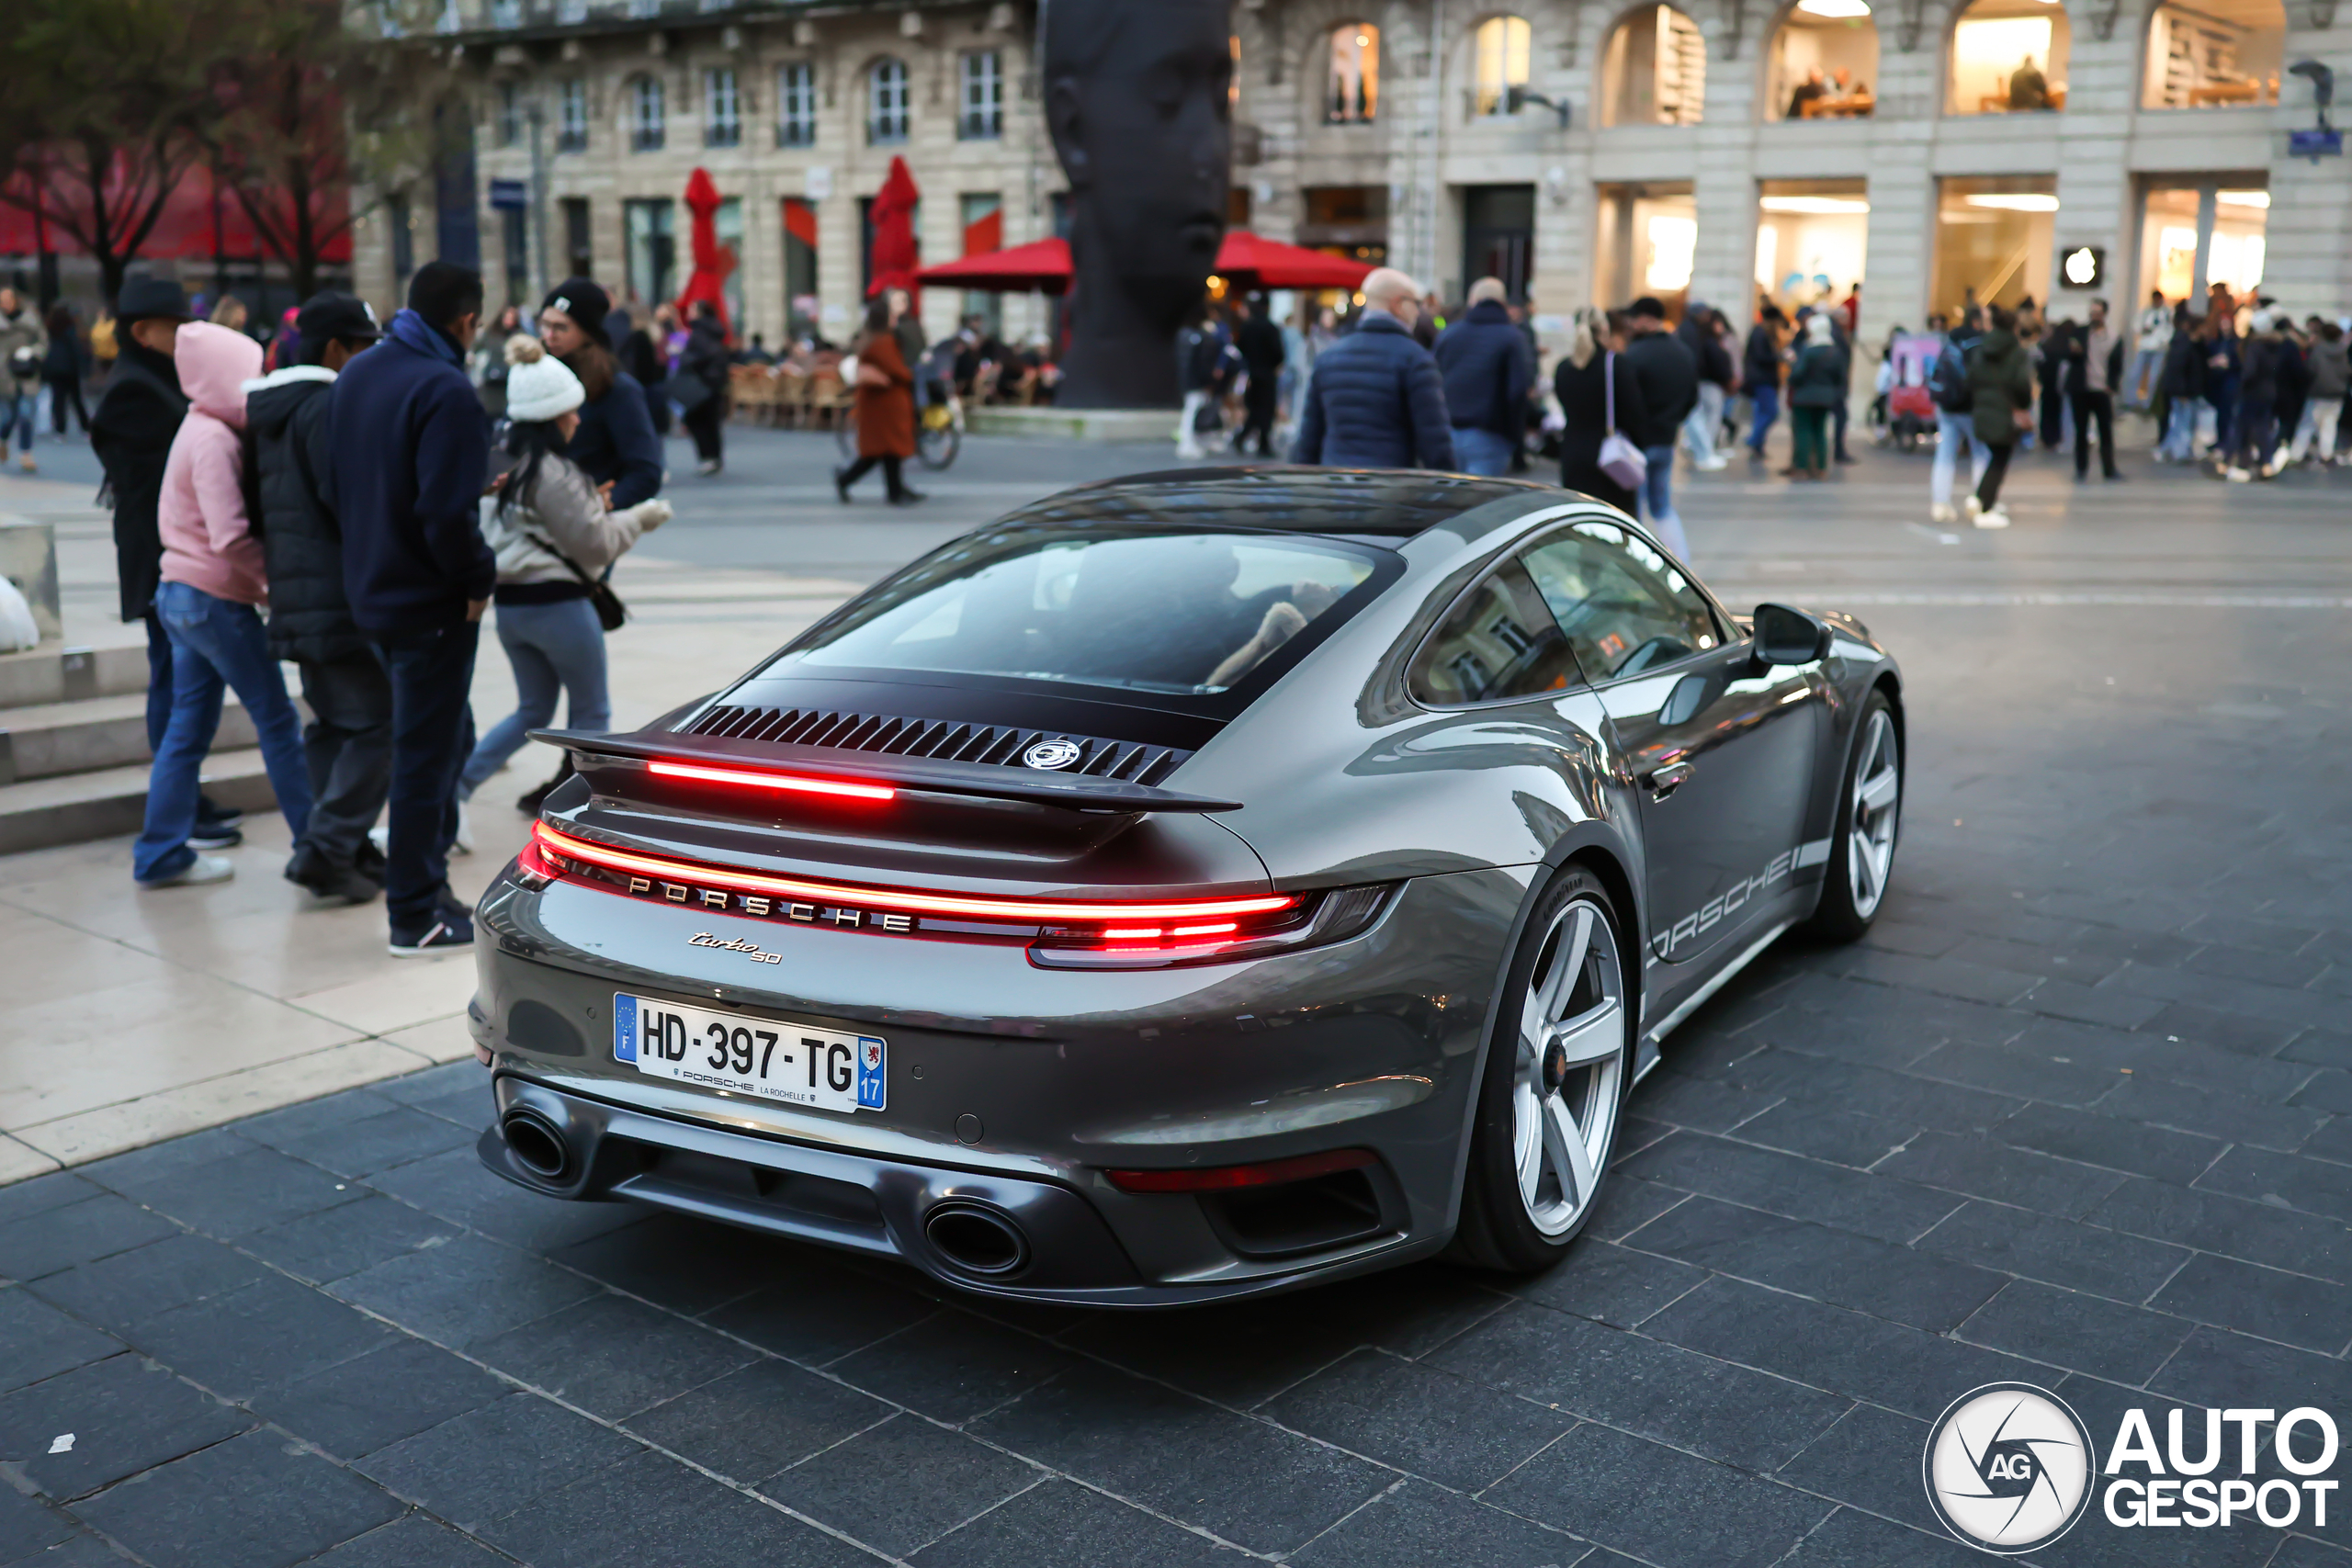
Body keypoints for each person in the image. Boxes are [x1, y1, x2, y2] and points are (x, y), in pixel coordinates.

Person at [325, 261, 497, 956]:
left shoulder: (360, 373)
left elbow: (343, 487)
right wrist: (478, 579)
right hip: (431, 602)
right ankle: (415, 914)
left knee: (434, 743)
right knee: (427, 760)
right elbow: (445, 513)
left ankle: (426, 888)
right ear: (465, 320)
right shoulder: (447, 389)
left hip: (372, 592)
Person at [132, 322, 314, 887]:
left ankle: (160, 853)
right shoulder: (213, 439)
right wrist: (273, 587)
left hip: (181, 598)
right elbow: (230, 537)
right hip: (213, 601)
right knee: (278, 721)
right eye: (249, 373)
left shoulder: (196, 426)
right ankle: (318, 844)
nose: (257, 383)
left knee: (187, 730)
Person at [460, 336, 672, 810]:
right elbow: (595, 545)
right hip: (559, 606)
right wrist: (640, 518)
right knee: (592, 712)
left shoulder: (503, 461)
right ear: (552, 417)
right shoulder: (552, 472)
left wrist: (591, 510)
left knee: (530, 710)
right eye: (570, 412)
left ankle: (457, 790)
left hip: (513, 610)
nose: (578, 419)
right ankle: (581, 810)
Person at [247, 291, 394, 904]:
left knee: (332, 725)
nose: (369, 361)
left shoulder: (270, 412)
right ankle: (326, 847)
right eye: (364, 348)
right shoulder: (330, 406)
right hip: (337, 596)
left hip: (294, 594)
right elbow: (352, 506)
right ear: (337, 349)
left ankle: (343, 843)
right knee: (381, 724)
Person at [91, 279, 246, 850]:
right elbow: (154, 484)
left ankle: (186, 805)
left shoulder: (155, 379)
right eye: (175, 326)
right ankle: (179, 814)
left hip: (172, 560)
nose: (187, 335)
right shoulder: (133, 390)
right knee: (174, 685)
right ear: (141, 332)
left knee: (186, 687)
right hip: (162, 563)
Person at [1290, 267, 1455, 469]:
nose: (1417, 311)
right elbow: (1434, 441)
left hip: (1336, 483)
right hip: (1390, 486)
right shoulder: (1416, 359)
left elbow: (1309, 437)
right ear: (1397, 304)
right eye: (1416, 303)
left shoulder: (1329, 358)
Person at [537, 279, 662, 507]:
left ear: (587, 332)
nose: (549, 335)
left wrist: (604, 504)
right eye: (545, 325)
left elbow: (645, 471)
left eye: (561, 327)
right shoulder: (532, 377)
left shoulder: (616, 389)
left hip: (587, 528)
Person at [1432, 276, 1532, 477]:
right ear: (1503, 303)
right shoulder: (1513, 337)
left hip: (1448, 430)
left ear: (1472, 301)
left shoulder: (1449, 334)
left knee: (1451, 501)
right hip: (1491, 433)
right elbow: (1519, 391)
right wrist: (1515, 437)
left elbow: (1433, 380)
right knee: (1484, 502)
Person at [1622, 296, 1698, 554]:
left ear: (1644, 319)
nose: (1630, 324)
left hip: (1637, 442)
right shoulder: (1683, 352)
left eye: (1633, 319)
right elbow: (1692, 398)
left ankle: (1639, 561)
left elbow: (1627, 403)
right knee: (1662, 506)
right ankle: (1682, 561)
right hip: (1666, 438)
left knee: (1636, 509)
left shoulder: (1633, 354)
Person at [1554, 306, 1647, 516]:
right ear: (1604, 330)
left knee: (1578, 521)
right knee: (1616, 523)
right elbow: (1634, 415)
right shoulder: (1616, 365)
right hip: (1609, 458)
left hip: (1573, 454)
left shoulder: (1564, 368)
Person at [834, 297, 923, 503]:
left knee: (883, 449)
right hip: (886, 403)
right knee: (886, 448)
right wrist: (909, 375)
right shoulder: (884, 342)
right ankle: (886, 489)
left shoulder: (870, 340)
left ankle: (895, 488)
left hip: (877, 403)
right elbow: (898, 370)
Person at [1965, 304, 2034, 527]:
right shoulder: (2016, 352)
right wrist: (2024, 405)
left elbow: (1972, 376)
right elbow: (2022, 384)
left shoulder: (1982, 347)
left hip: (1983, 407)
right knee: (1999, 459)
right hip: (2004, 410)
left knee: (1994, 456)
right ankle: (1985, 507)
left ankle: (1981, 499)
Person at [1928, 306, 1989, 521]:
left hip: (1946, 406)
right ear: (1977, 322)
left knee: (1944, 456)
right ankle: (1980, 501)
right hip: (1970, 407)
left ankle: (1940, 504)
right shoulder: (1978, 344)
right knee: (1981, 454)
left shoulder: (1951, 341)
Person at [2064, 297, 2123, 481]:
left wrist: (2112, 386)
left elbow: (2117, 364)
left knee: (2105, 430)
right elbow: (2067, 356)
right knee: (2081, 431)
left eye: (2097, 312)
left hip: (2101, 389)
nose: (2094, 316)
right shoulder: (2080, 333)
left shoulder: (2113, 337)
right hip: (2081, 388)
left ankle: (2109, 468)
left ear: (2104, 314)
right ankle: (2081, 468)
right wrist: (2073, 353)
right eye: (2092, 312)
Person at [1785, 312, 1846, 481]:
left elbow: (1798, 373)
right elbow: (1840, 377)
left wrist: (1791, 367)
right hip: (1825, 397)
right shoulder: (1835, 351)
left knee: (1804, 430)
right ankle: (1820, 467)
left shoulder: (1809, 350)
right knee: (1820, 432)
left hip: (1804, 396)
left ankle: (1802, 466)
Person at [676, 299, 731, 476]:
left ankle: (708, 456)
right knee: (711, 422)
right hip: (714, 381)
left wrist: (684, 359)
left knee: (697, 420)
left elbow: (699, 356)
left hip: (701, 381)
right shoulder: (715, 330)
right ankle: (714, 456)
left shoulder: (699, 332)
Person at [1677, 302, 1734, 469]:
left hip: (1696, 379)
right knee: (1698, 417)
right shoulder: (1693, 332)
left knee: (1699, 416)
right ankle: (1703, 452)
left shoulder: (1692, 330)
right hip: (1698, 380)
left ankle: (1702, 449)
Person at [1233, 295, 1285, 458]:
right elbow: (1279, 354)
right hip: (1267, 375)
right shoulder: (1270, 328)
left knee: (1255, 409)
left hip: (1252, 374)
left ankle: (1250, 439)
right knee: (1265, 410)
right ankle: (1260, 442)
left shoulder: (1246, 327)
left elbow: (1240, 348)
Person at [2288, 319, 2346, 465]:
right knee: (2330, 425)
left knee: (2307, 425)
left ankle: (2296, 454)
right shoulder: (2343, 351)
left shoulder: (2319, 350)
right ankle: (2326, 454)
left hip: (2318, 392)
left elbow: (2311, 370)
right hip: (2337, 393)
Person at [0, 288, 44, 472]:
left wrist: (32, 352)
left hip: (27, 374)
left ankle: (26, 455)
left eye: (8, 299)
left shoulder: (31, 319)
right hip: (4, 375)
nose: (5, 303)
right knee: (7, 417)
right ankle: (2, 441)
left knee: (26, 414)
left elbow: (43, 341)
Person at [1743, 306, 1787, 461]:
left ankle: (1757, 445)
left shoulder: (1761, 332)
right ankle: (1753, 439)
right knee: (1770, 412)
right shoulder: (1761, 333)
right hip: (1762, 380)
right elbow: (1761, 356)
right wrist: (1780, 357)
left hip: (1762, 379)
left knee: (1762, 413)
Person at [42, 304, 89, 436]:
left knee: (58, 399)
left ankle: (60, 428)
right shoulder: (69, 328)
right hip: (69, 368)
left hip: (53, 368)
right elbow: (76, 349)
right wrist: (83, 367)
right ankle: (85, 426)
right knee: (76, 399)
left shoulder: (49, 328)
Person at [472, 303, 525, 418]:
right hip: (491, 379)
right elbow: (477, 349)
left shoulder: (519, 335)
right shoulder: (491, 334)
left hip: (510, 380)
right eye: (507, 317)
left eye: (512, 318)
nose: (509, 321)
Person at [2127, 290, 2171, 410]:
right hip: (2144, 346)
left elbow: (2169, 330)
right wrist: (2143, 329)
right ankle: (2131, 401)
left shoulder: (2167, 313)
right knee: (2135, 374)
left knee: (2153, 377)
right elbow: (2136, 325)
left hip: (2158, 349)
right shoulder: (2145, 311)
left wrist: (2163, 341)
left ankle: (2148, 404)